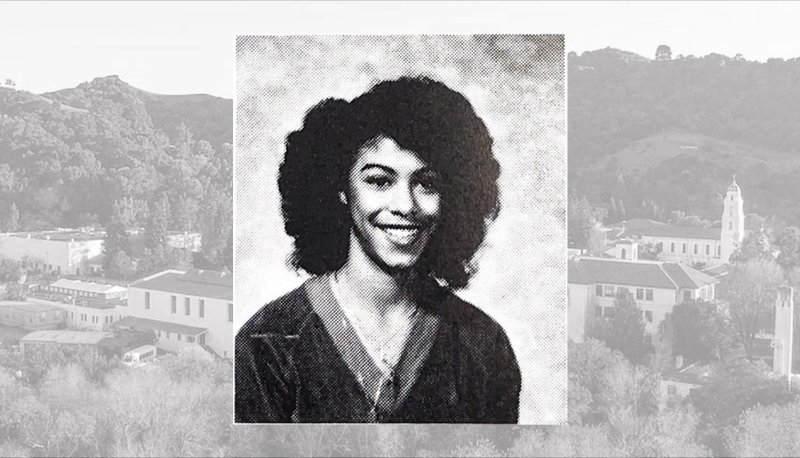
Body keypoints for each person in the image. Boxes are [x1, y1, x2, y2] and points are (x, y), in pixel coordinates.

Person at [235, 76, 521, 423]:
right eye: (379, 181)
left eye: (427, 184)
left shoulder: (483, 346)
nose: (406, 205)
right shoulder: (266, 345)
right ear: (341, 189)